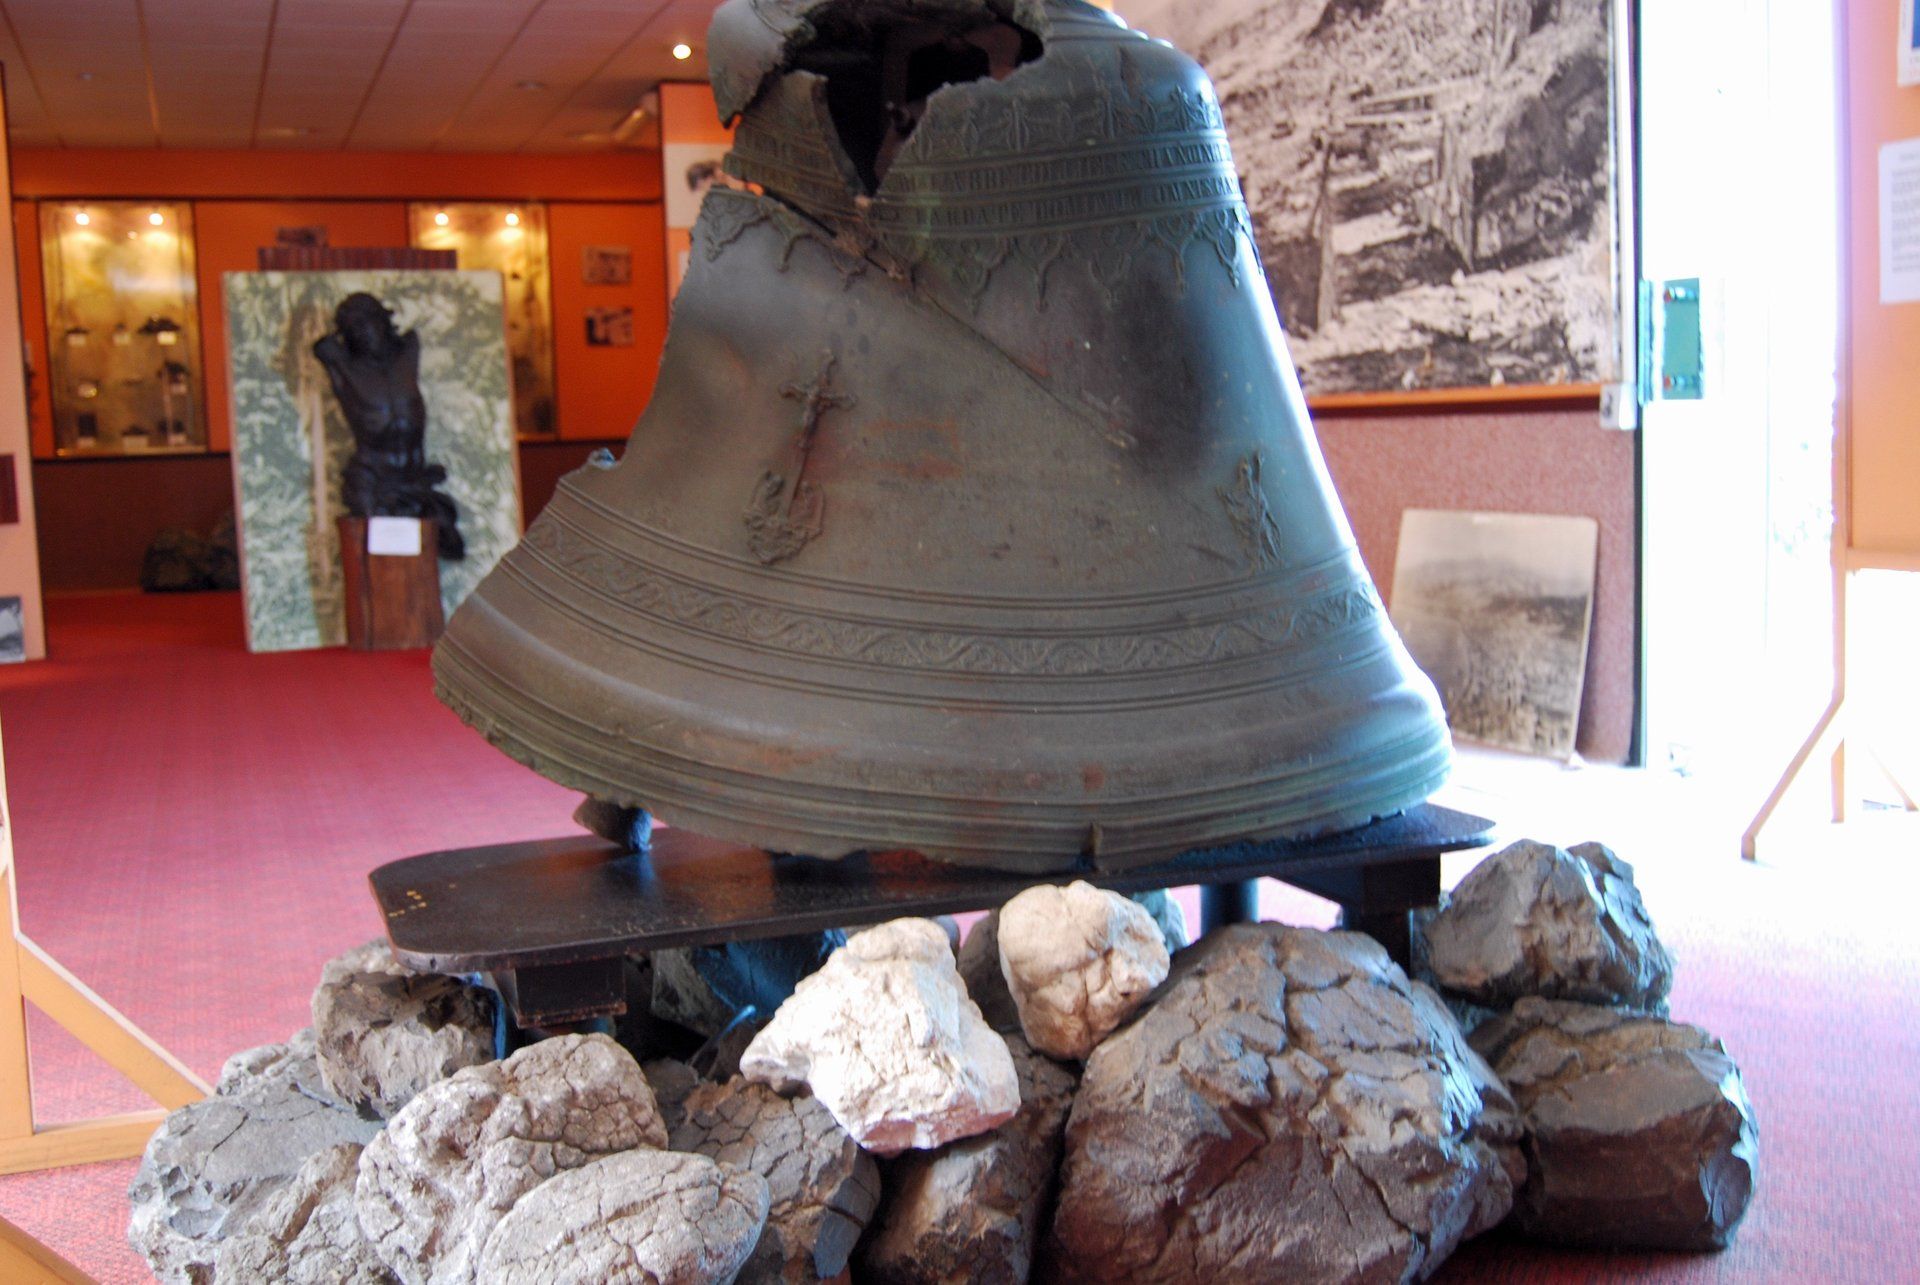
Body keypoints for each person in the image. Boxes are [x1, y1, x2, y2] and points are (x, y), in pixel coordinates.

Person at [312, 293, 464, 560]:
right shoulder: (343, 366)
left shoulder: (408, 351)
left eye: (367, 322)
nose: (361, 333)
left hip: (413, 474)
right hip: (372, 477)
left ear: (383, 321)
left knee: (447, 538)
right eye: (353, 329)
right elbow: (322, 347)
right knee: (376, 556)